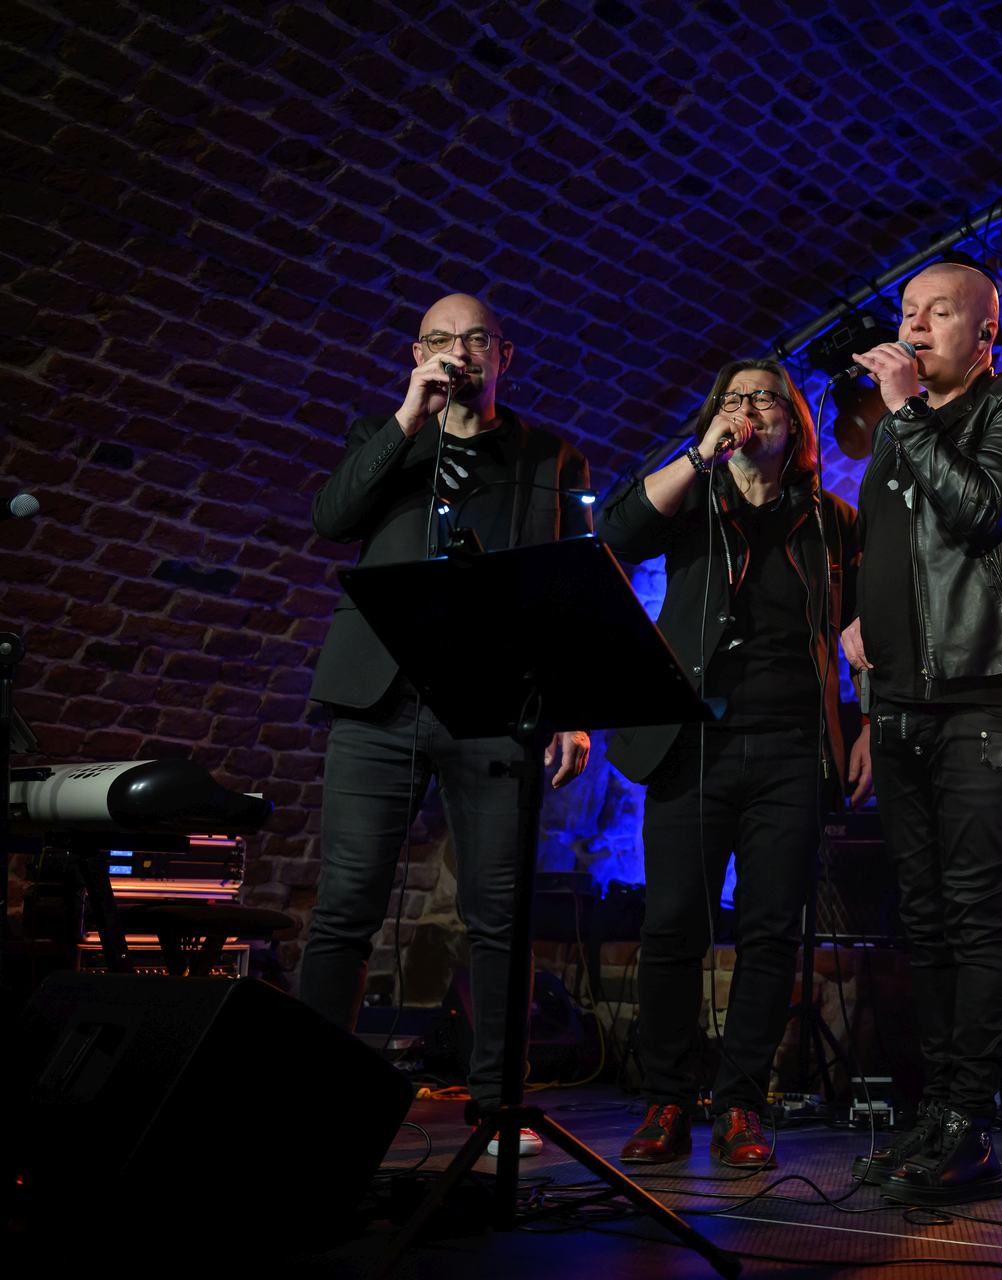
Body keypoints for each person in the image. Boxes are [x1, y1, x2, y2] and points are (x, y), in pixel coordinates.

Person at [303, 293, 593, 1157]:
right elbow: (331, 520)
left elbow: (567, 581)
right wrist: (407, 417)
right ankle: (310, 1099)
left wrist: (570, 705)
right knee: (345, 907)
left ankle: (500, 1110)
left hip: (491, 702)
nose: (458, 352)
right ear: (417, 354)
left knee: (498, 912)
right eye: (440, 339)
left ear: (504, 355)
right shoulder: (383, 435)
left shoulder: (548, 456)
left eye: (474, 339)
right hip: (378, 700)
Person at [598, 359, 865, 1171]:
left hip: (791, 747)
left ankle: (743, 1103)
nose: (750, 409)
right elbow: (618, 532)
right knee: (674, 922)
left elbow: (868, 634)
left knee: (770, 930)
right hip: (694, 743)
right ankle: (667, 1099)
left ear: (795, 421)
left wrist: (868, 729)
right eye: (734, 398)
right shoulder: (694, 499)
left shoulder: (832, 520)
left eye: (766, 398)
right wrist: (697, 453)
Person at [839, 262, 1002, 1206]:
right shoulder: (902, 433)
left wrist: (902, 410)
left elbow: (980, 507)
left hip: (982, 699)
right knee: (923, 916)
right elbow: (899, 556)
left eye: (937, 313)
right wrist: (861, 622)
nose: (914, 326)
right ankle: (936, 1114)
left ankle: (971, 1122)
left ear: (985, 332)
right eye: (906, 312)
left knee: (973, 914)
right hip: (900, 703)